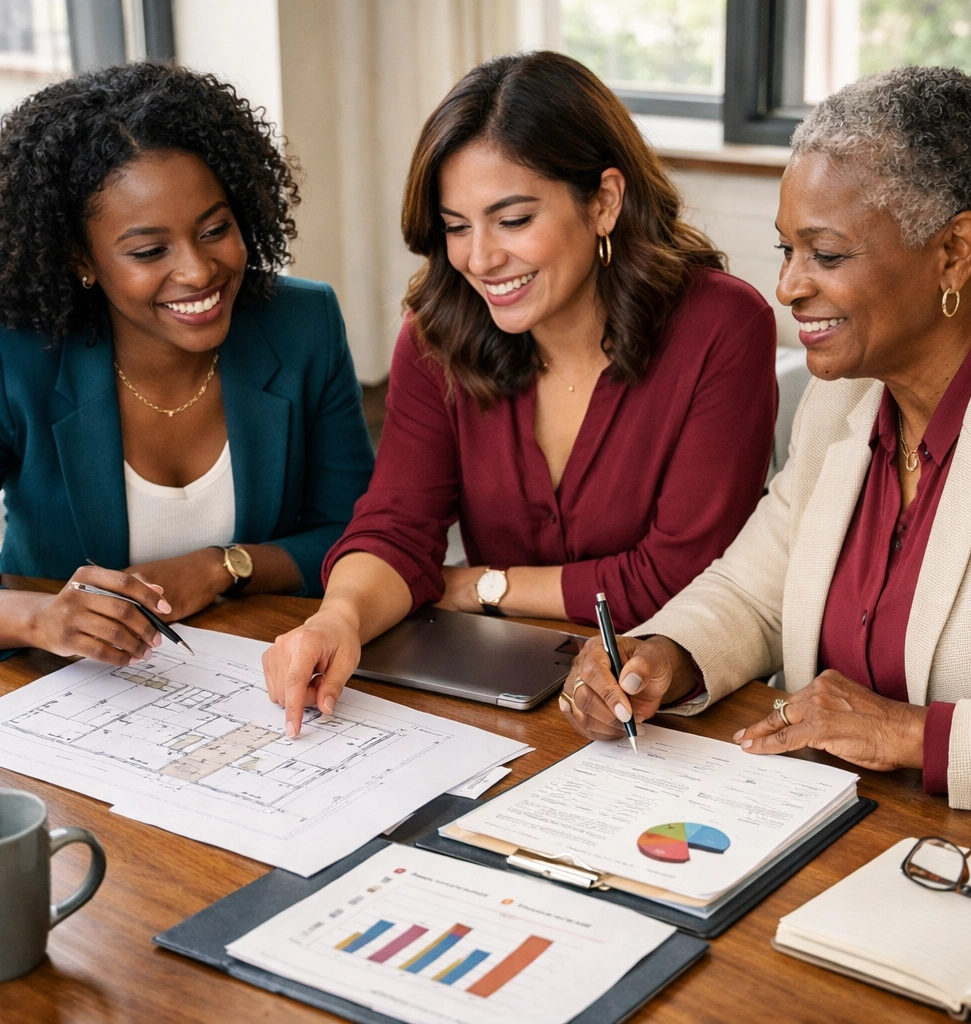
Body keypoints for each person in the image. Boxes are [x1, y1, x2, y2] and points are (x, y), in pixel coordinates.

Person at [263, 51, 777, 736]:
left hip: (670, 711)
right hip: (501, 705)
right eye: (455, 226)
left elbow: (681, 576)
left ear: (603, 202)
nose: (479, 258)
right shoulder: (435, 333)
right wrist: (340, 619)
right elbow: (397, 526)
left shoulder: (722, 326)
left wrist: (478, 586)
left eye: (511, 220)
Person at [561, 65, 971, 817]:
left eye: (827, 256)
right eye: (786, 250)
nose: (788, 288)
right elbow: (756, 590)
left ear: (954, 252)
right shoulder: (840, 400)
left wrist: (911, 735)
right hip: (822, 829)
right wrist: (660, 659)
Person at [0, 62, 374, 664]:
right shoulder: (19, 356)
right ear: (80, 260)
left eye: (215, 229)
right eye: (150, 250)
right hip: (54, 691)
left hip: (250, 679)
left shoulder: (303, 325)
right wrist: (38, 618)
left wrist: (226, 565)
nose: (199, 271)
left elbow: (357, 538)